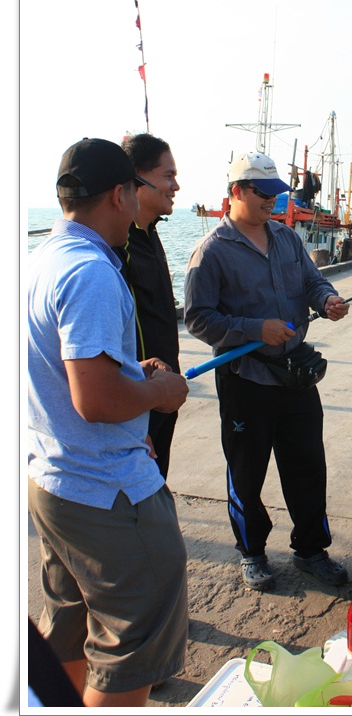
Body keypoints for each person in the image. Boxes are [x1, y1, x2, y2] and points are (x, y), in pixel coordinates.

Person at [28, 138, 190, 707]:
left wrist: (131, 372)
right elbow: (94, 400)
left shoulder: (42, 259)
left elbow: (62, 367)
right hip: (105, 491)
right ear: (120, 195)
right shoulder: (92, 271)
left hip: (54, 481)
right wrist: (160, 391)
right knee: (129, 648)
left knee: (69, 626)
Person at [184, 152, 350, 591]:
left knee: (308, 466)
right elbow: (199, 319)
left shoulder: (287, 238)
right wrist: (256, 329)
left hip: (296, 377)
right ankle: (252, 552)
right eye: (264, 194)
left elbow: (313, 282)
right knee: (246, 472)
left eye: (277, 194)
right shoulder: (211, 252)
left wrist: (327, 300)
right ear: (237, 192)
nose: (273, 202)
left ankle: (311, 549)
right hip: (245, 382)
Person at [114, 132, 181, 478]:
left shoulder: (150, 235)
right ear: (137, 180)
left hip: (162, 397)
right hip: (138, 402)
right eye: (167, 175)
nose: (176, 186)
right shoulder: (120, 247)